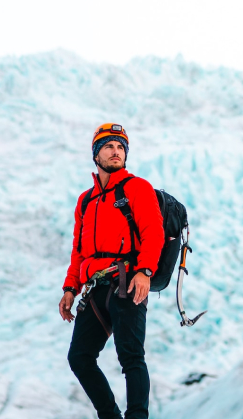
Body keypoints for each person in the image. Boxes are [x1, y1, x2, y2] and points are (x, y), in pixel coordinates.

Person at [59, 123, 164, 419]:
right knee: (79, 357)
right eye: (108, 146)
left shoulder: (136, 187)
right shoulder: (86, 200)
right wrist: (70, 289)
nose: (116, 151)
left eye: (120, 147)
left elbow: (153, 233)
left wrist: (144, 271)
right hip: (95, 287)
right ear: (96, 155)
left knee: (131, 356)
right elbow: (79, 251)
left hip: (127, 280)